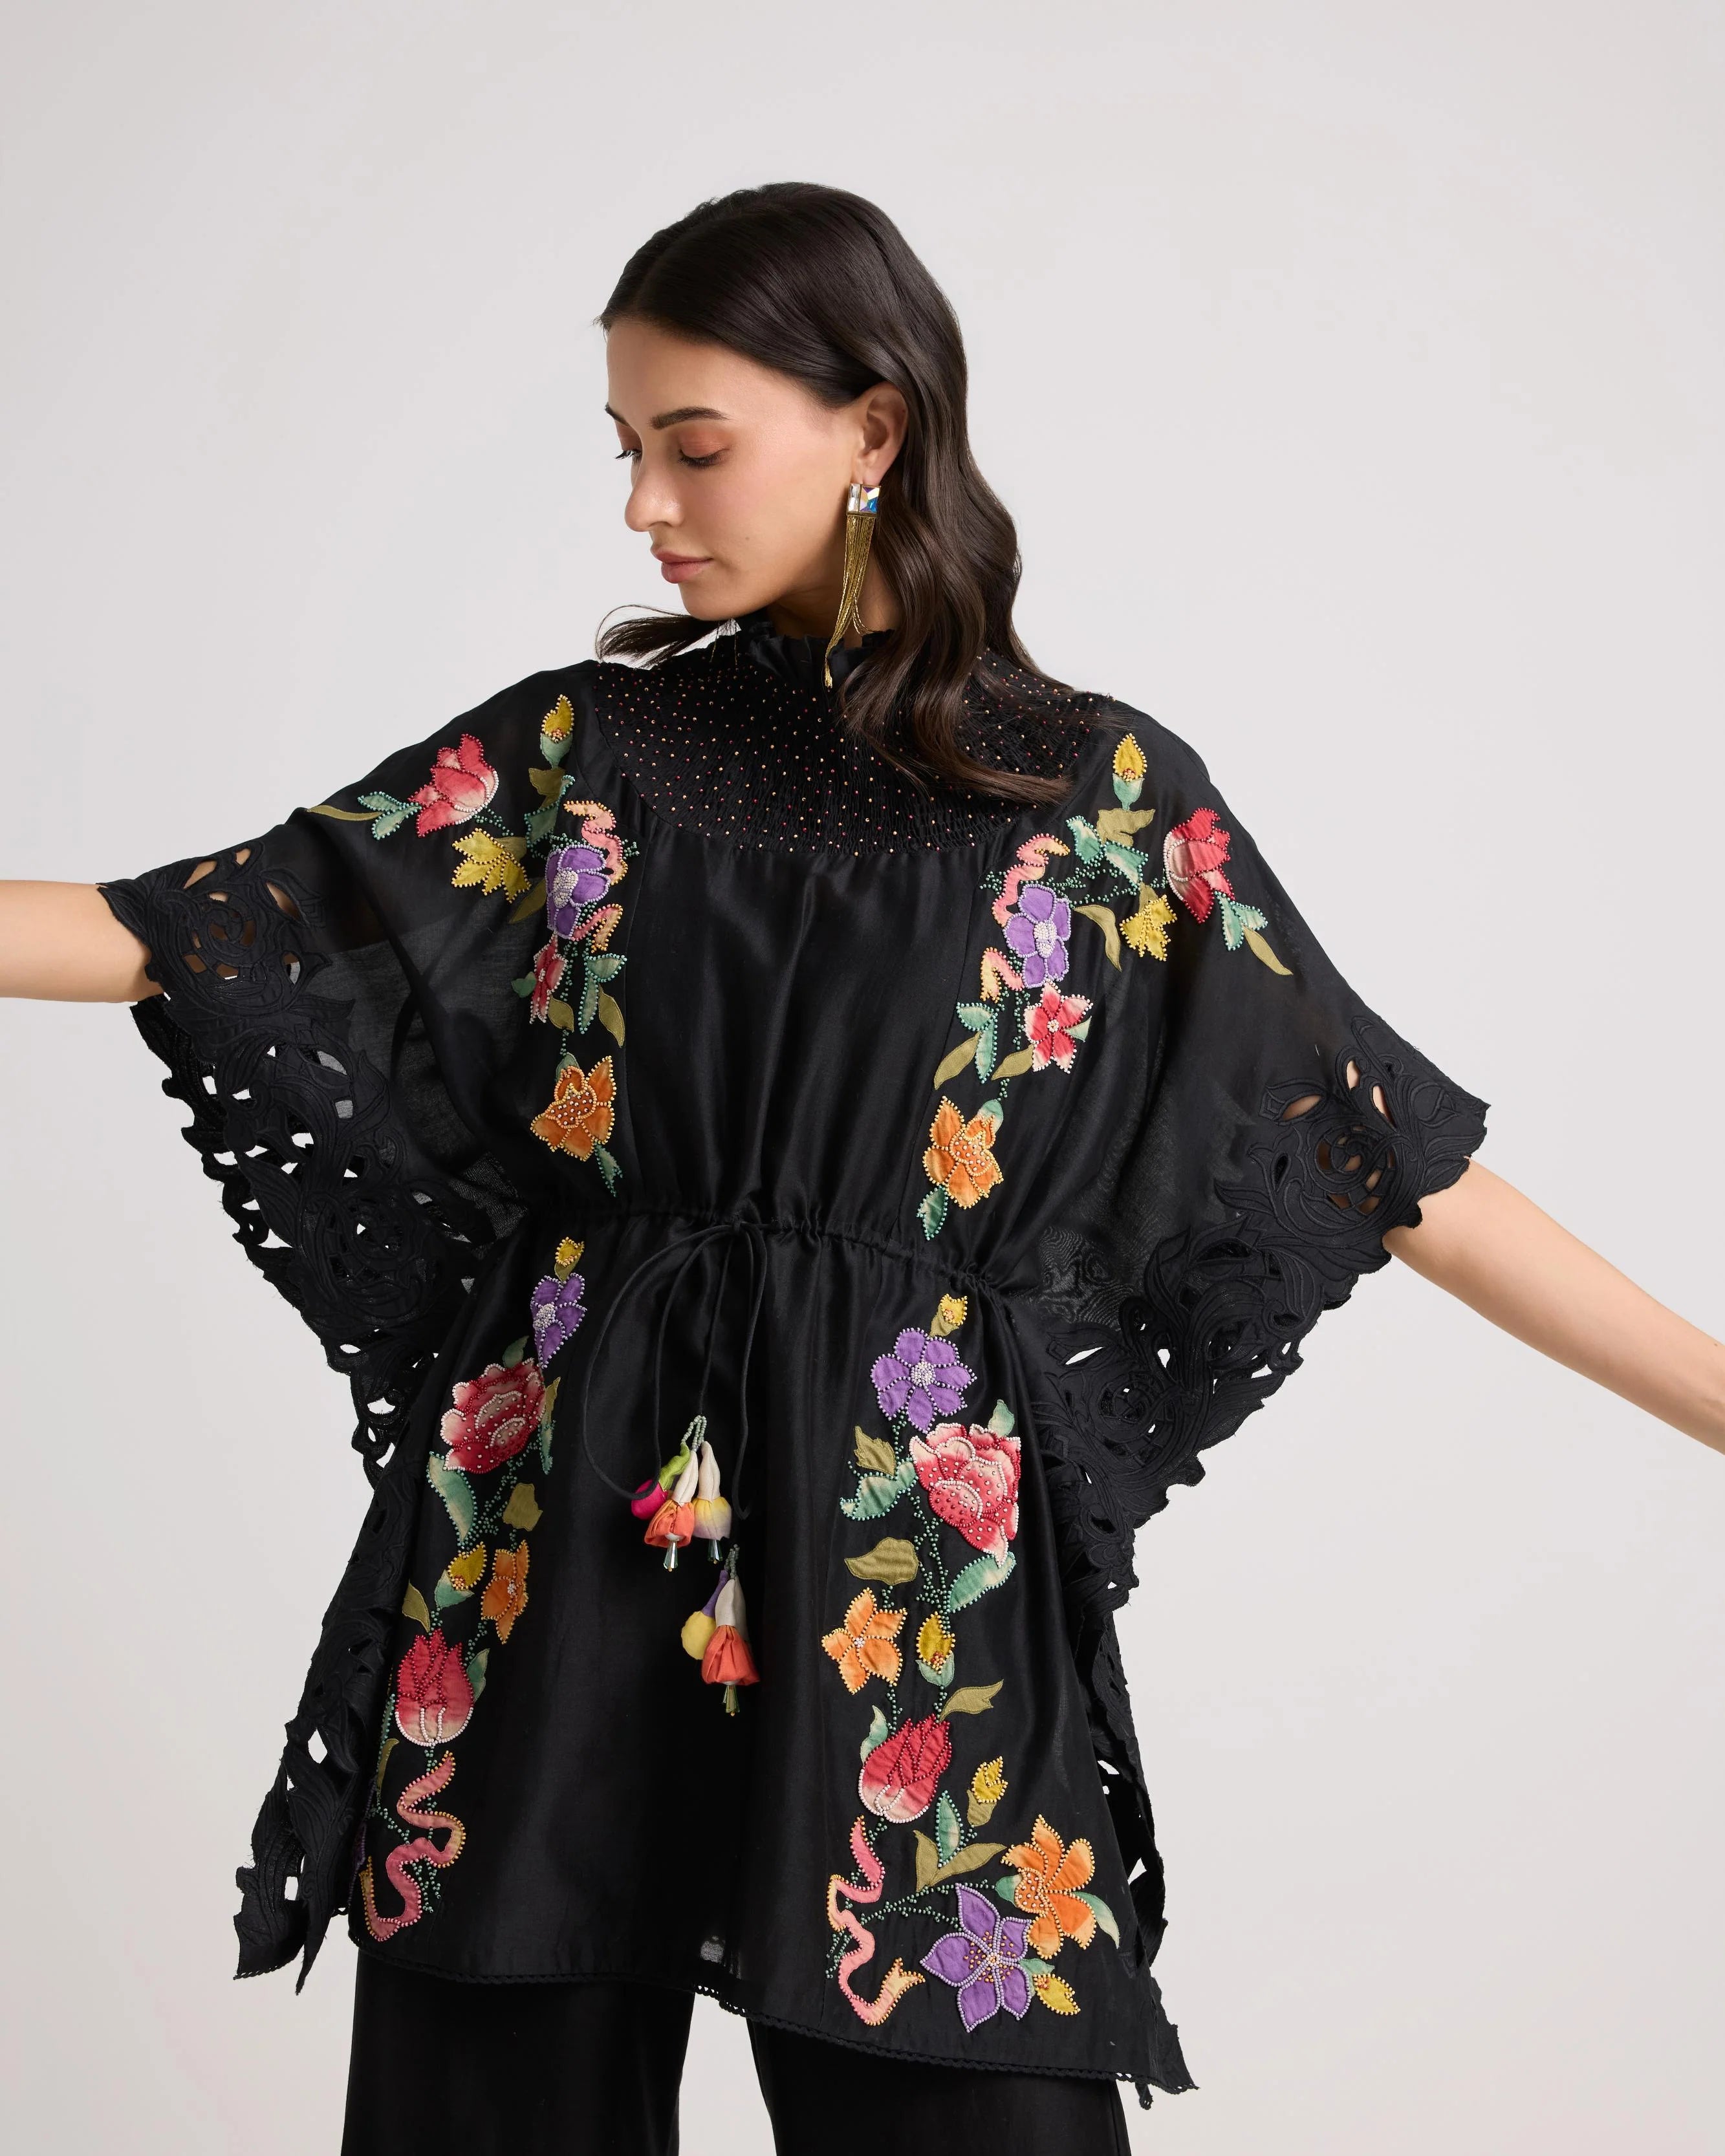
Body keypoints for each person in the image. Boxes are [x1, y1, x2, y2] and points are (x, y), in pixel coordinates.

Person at [4, 182, 1720, 2156]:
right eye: (627, 448)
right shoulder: (575, 752)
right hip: (551, 1523)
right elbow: (193, 930)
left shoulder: (1098, 796)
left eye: (693, 445)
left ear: (874, 428)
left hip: (904, 1558)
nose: (644, 506)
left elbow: (1376, 1155)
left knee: (979, 2094)